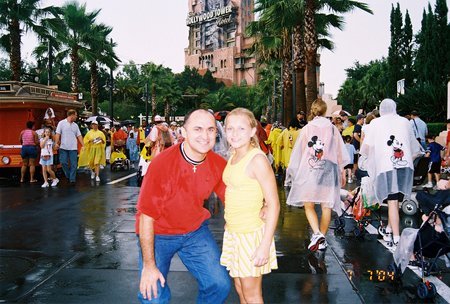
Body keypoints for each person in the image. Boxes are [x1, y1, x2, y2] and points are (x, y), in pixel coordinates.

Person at [136, 109, 231, 303]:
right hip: (158, 233)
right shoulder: (162, 163)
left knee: (219, 285)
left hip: (194, 231)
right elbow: (146, 216)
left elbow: (233, 199)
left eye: (210, 130)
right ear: (184, 133)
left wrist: (263, 207)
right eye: (198, 129)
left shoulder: (219, 164)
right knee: (152, 295)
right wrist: (148, 266)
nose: (205, 136)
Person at [220, 108, 279, 303]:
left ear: (253, 131)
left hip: (251, 235)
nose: (234, 134)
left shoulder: (257, 159)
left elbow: (275, 204)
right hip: (234, 232)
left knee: (252, 294)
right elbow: (248, 188)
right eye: (230, 129)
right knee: (240, 289)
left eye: (241, 128)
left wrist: (264, 246)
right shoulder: (234, 154)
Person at [285, 98, 350, 251]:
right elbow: (339, 151)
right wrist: (342, 171)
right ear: (325, 110)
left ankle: (317, 233)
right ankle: (322, 238)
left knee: (309, 204)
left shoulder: (307, 128)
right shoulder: (333, 128)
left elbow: (301, 152)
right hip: (329, 168)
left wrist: (295, 172)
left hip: (311, 168)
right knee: (327, 206)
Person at [360, 99, 422, 247]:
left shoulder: (376, 123)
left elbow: (366, 148)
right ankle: (389, 229)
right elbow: (415, 147)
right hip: (404, 166)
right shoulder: (405, 122)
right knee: (396, 201)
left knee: (392, 202)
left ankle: (396, 237)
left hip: (386, 166)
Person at [54, 109, 84, 184]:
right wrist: (56, 143)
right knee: (63, 162)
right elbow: (57, 134)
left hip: (73, 147)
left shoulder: (75, 125)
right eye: (76, 115)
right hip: (63, 147)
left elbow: (79, 135)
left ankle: (72, 179)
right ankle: (68, 174)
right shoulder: (61, 123)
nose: (76, 117)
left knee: (74, 164)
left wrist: (83, 145)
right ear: (72, 115)